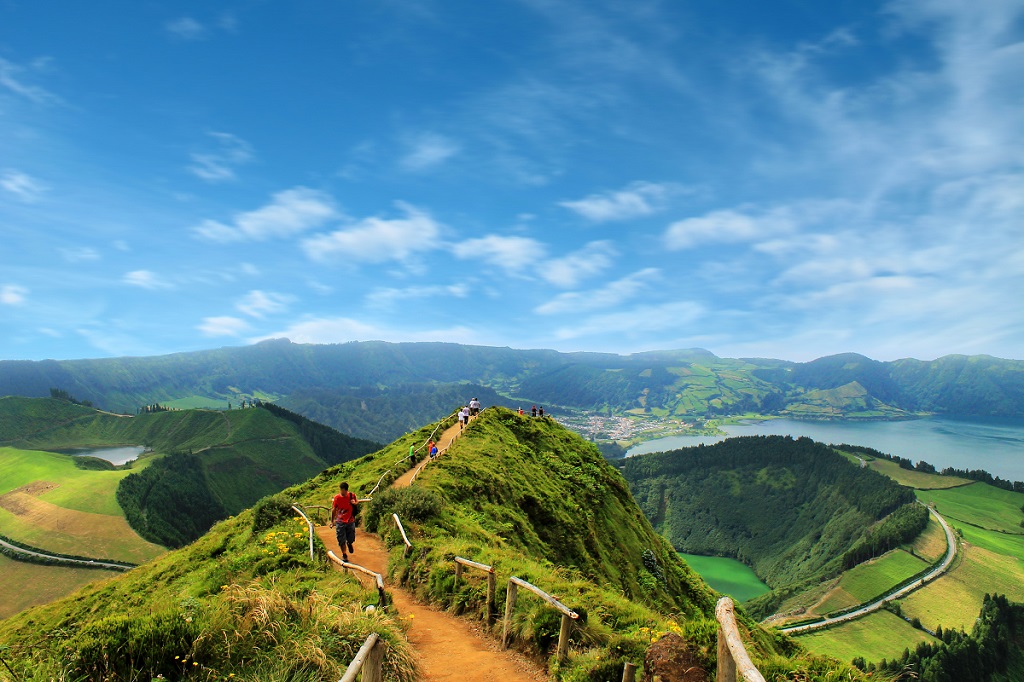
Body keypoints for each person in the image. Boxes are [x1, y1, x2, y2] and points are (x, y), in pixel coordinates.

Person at [331, 482, 359, 562]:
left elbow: (357, 502)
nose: (341, 492)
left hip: (350, 520)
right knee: (341, 539)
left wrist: (355, 503)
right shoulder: (337, 498)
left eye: (342, 490)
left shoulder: (352, 495)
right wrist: (332, 521)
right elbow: (334, 509)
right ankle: (344, 554)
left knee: (351, 538)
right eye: (341, 490)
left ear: (346, 490)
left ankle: (349, 543)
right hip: (340, 521)